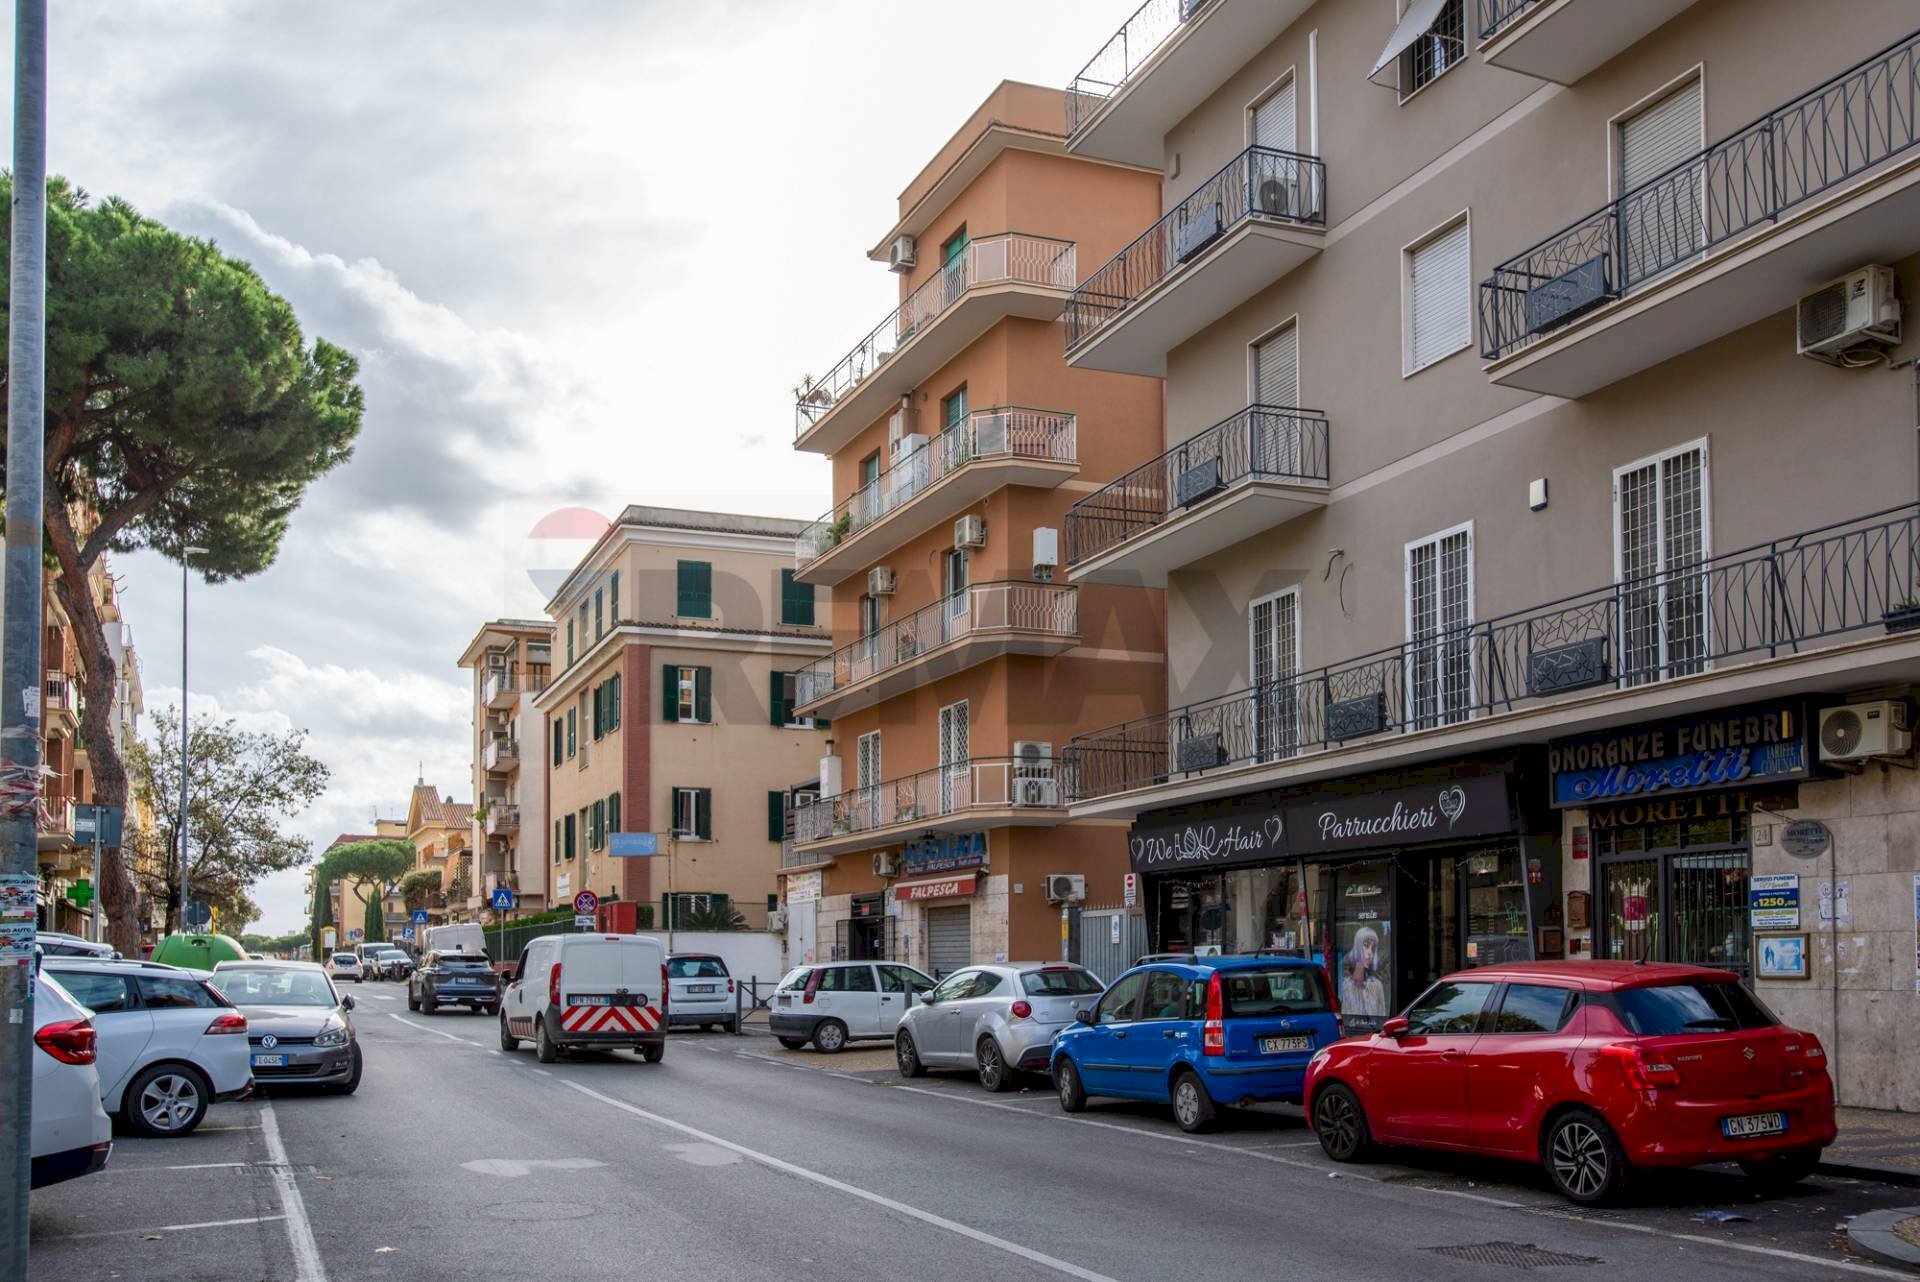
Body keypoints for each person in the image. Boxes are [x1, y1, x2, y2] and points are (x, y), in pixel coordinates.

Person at [1340, 926, 1387, 1017]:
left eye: (1373, 948)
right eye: (1366, 945)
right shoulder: (1346, 986)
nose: (1370, 953)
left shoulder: (1377, 986)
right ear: (1357, 947)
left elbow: (1382, 1015)